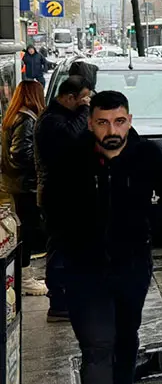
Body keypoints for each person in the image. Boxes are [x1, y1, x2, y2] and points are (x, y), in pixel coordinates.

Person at [58, 91, 162, 384]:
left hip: (132, 266)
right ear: (90, 123)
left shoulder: (148, 155)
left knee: (126, 335)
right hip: (85, 269)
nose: (111, 129)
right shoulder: (72, 157)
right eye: (102, 122)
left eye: (118, 121)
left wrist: (151, 223)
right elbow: (52, 203)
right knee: (98, 345)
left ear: (129, 120)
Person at [35, 75, 91, 322]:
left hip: (68, 193)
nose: (85, 103)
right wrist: (84, 111)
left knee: (70, 247)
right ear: (70, 98)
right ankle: (58, 302)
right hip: (58, 195)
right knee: (60, 247)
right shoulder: (51, 120)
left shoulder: (60, 117)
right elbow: (70, 138)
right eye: (82, 99)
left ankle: (67, 298)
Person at [0, 80, 47, 295]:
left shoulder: (13, 116)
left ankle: (21, 276)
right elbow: (21, 153)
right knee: (27, 231)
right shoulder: (27, 119)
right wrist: (39, 166)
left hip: (16, 183)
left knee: (24, 230)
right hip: (25, 185)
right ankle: (25, 278)